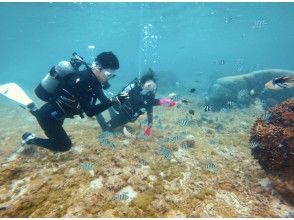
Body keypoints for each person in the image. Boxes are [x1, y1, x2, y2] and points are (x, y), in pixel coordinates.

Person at [21, 51, 129, 152]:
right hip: (49, 117)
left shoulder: (93, 81)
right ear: (98, 68)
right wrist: (113, 101)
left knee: (53, 127)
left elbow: (103, 99)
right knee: (64, 145)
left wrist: (116, 101)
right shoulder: (84, 81)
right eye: (109, 74)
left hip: (56, 114)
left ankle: (33, 109)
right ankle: (30, 139)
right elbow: (89, 112)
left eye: (112, 76)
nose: (109, 78)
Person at [96, 68, 175, 136]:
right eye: (149, 86)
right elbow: (141, 101)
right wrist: (160, 101)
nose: (151, 90)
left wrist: (149, 125)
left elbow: (149, 108)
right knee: (107, 130)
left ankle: (111, 119)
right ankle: (98, 113)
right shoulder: (134, 90)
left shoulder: (149, 95)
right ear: (142, 84)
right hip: (116, 111)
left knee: (118, 124)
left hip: (127, 117)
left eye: (153, 87)